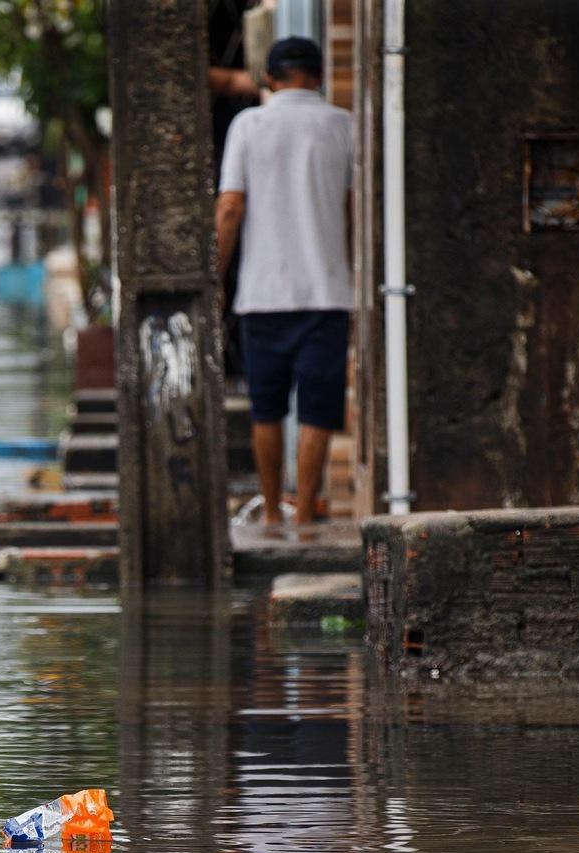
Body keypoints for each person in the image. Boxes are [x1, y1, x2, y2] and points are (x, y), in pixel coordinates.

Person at [215, 36, 353, 527]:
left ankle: (273, 512)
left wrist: (216, 277)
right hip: (327, 292)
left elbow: (230, 207)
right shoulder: (343, 126)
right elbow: (355, 209)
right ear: (318, 76)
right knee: (317, 411)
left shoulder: (247, 126)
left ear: (270, 78)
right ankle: (305, 516)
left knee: (266, 410)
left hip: (262, 294)